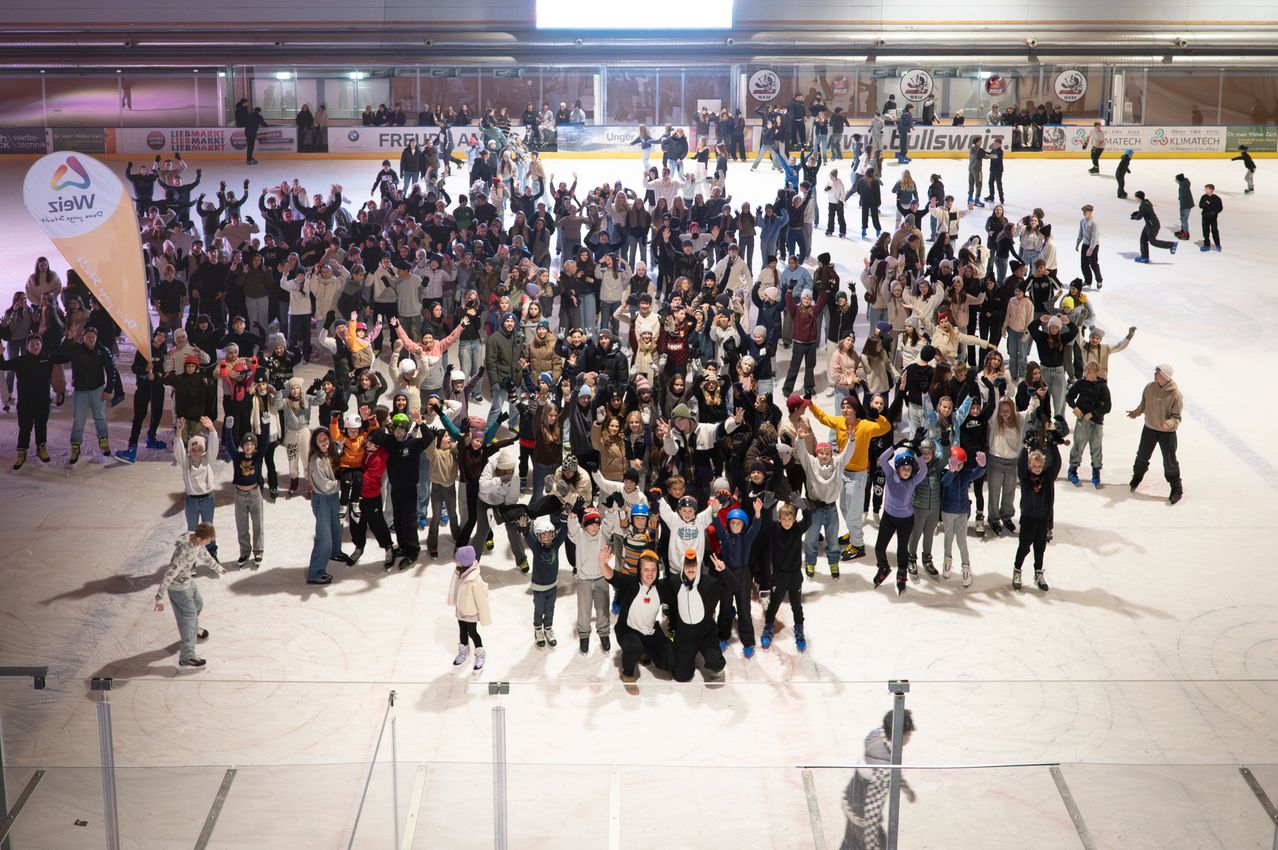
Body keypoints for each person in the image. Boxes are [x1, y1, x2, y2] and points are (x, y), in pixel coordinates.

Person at [838, 710, 916, 850]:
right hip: (861, 816)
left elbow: (894, 773)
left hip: (850, 800)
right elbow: (872, 810)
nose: (910, 736)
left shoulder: (876, 735)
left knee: (851, 843)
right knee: (880, 845)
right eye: (908, 733)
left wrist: (906, 789)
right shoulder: (883, 771)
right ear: (900, 736)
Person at [153, 523, 226, 668]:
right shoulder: (184, 553)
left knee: (198, 604)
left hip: (188, 581)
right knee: (189, 618)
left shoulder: (195, 539)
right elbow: (169, 574)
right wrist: (159, 597)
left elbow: (204, 555)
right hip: (179, 588)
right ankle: (187, 656)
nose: (209, 542)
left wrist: (218, 568)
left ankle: (194, 629)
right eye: (208, 540)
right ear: (199, 538)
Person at [600, 547, 674, 685]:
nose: (650, 574)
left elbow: (675, 605)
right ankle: (627, 674)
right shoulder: (630, 583)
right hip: (628, 631)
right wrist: (603, 564)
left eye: (653, 570)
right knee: (634, 647)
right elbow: (611, 576)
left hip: (650, 631)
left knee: (671, 663)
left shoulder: (661, 588)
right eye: (646, 570)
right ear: (640, 570)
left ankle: (645, 650)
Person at [1012, 414, 1065, 591]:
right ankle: (1017, 569)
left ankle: (1038, 572)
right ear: (1030, 466)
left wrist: (1054, 445)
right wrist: (1025, 448)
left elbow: (1056, 464)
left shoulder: (1046, 480)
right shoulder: (1026, 480)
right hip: (1028, 519)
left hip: (1042, 519)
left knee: (1040, 548)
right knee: (1024, 546)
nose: (1037, 468)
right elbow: (1020, 465)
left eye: (1039, 466)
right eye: (1034, 466)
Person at [663, 548, 727, 683]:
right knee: (681, 676)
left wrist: (724, 572)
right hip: (684, 636)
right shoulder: (674, 582)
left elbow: (733, 587)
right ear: (682, 566)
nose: (691, 569)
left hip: (706, 634)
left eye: (693, 566)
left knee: (716, 663)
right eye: (687, 566)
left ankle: (712, 659)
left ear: (698, 566)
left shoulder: (708, 582)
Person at [759, 499, 812, 652]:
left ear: (794, 519)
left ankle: (799, 630)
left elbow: (808, 520)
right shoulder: (775, 529)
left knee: (796, 606)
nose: (787, 522)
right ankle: (768, 627)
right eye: (784, 519)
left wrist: (805, 507)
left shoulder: (797, 528)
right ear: (779, 519)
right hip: (779, 577)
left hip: (795, 576)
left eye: (790, 519)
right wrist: (767, 508)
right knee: (774, 604)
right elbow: (765, 522)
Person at [1127, 363, 1183, 505]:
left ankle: (1176, 488)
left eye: (1158, 372)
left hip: (1167, 434)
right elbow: (1143, 404)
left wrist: (1169, 423)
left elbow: (1177, 417)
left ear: (1165, 376)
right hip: (1149, 429)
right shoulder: (1149, 387)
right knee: (1142, 456)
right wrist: (1136, 412)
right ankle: (1137, 477)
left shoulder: (1175, 395)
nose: (1155, 373)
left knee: (1169, 462)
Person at [66, 325, 123, 465]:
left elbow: (111, 371)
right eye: (88, 336)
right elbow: (63, 352)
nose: (91, 338)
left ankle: (103, 440)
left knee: (100, 417)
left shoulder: (103, 350)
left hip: (97, 389)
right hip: (80, 390)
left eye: (93, 336)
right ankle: (75, 445)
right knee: (78, 420)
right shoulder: (76, 349)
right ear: (83, 336)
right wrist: (68, 340)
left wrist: (109, 389)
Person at [940, 447, 985, 587]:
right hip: (948, 511)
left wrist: (982, 466)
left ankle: (966, 567)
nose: (958, 467)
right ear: (950, 462)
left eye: (961, 464)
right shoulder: (946, 472)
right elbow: (945, 482)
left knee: (962, 541)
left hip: (962, 512)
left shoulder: (966, 473)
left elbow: (976, 473)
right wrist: (951, 472)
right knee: (948, 537)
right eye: (956, 463)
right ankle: (947, 561)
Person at [1065, 360, 1111, 489]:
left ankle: (1096, 473)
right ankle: (1072, 470)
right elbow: (1069, 396)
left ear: (1096, 373)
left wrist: (1094, 413)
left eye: (1089, 372)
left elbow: (1107, 406)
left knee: (1096, 447)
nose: (1086, 373)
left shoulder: (1102, 386)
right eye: (1085, 371)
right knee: (1078, 444)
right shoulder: (1081, 383)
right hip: (1082, 421)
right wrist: (1074, 407)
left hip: (1097, 422)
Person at [448, 545, 490, 671]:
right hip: (461, 609)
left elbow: (482, 600)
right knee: (462, 630)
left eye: (458, 559)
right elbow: (454, 587)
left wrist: (484, 617)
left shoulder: (474, 580)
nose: (456, 561)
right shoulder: (459, 571)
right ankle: (463, 650)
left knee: (472, 632)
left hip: (471, 612)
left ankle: (480, 653)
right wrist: (453, 601)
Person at [1130, 191, 1177, 264]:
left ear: (1138, 198)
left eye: (1135, 197)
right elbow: (1145, 212)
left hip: (1153, 226)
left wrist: (1134, 217)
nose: (1135, 199)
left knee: (1153, 241)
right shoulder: (1147, 202)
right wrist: (1138, 213)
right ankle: (1144, 257)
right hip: (1150, 224)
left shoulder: (1143, 206)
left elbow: (1139, 217)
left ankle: (1171, 245)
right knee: (1143, 239)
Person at [1075, 204, 1102, 289]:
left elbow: (1095, 237)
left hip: (1093, 246)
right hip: (1085, 245)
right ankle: (1088, 280)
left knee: (1093, 264)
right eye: (1083, 211)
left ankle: (1099, 280)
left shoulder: (1094, 223)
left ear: (1090, 212)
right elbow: (1081, 233)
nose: (1084, 213)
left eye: (1085, 211)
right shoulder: (1082, 221)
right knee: (1084, 265)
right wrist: (1078, 243)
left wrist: (1091, 249)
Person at [1198, 183, 1223, 252]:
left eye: (1206, 189)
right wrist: (1205, 204)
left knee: (1214, 231)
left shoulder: (1217, 198)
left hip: (1213, 218)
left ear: (1211, 190)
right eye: (1205, 189)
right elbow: (1200, 205)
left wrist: (1214, 212)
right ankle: (1206, 245)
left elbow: (1220, 208)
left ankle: (1218, 245)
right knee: (1205, 232)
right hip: (1205, 217)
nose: (1205, 190)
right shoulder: (1204, 197)